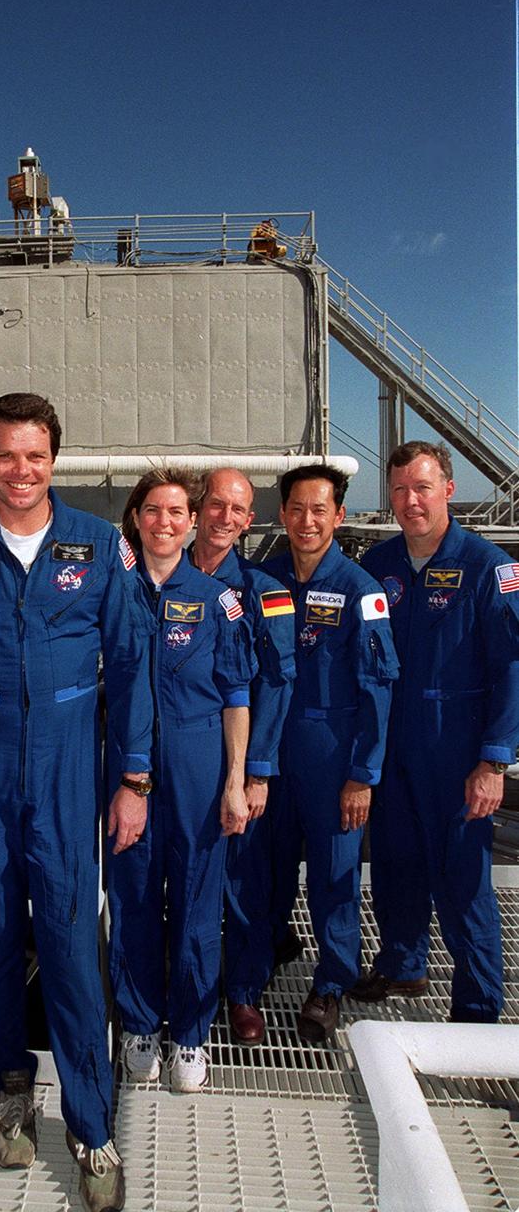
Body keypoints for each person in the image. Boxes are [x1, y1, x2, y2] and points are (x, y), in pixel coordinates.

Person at [0, 393, 152, 1212]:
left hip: (67, 774)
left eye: (35, 455)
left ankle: (91, 1121)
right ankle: (10, 1087)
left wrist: (135, 779)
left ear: (56, 460)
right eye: (6, 455)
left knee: (74, 947)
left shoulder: (96, 545)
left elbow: (132, 662)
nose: (21, 471)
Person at [354, 441, 519, 1021]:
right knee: (395, 864)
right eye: (399, 489)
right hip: (391, 745)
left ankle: (478, 1012)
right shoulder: (379, 567)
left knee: (463, 884)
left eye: (422, 487)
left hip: (457, 752)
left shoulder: (490, 568)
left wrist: (494, 760)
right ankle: (402, 965)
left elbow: (513, 668)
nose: (410, 501)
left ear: (448, 488)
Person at [106, 468, 255, 1093]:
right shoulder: (110, 592)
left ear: (191, 524)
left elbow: (237, 694)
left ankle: (191, 1033)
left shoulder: (220, 601)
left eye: (176, 512)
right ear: (136, 520)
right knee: (134, 897)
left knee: (197, 903)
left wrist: (236, 781)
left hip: (199, 766)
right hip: (126, 769)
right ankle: (140, 1022)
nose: (164, 522)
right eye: (152, 511)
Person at [263, 465, 398, 1041]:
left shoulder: (360, 590)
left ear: (338, 517)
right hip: (273, 753)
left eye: (319, 510)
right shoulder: (263, 579)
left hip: (333, 756)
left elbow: (379, 686)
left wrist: (363, 775)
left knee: (334, 873)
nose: (307, 520)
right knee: (263, 865)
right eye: (297, 508)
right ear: (283, 514)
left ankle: (333, 981)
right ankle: (269, 945)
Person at [190, 468, 296, 1046]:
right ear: (197, 508)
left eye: (238, 509)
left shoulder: (262, 591)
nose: (225, 517)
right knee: (181, 880)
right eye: (216, 505)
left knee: (243, 881)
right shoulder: (161, 577)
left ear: (249, 520)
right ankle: (187, 983)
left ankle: (244, 992)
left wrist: (257, 771)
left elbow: (278, 683)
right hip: (175, 761)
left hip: (235, 757)